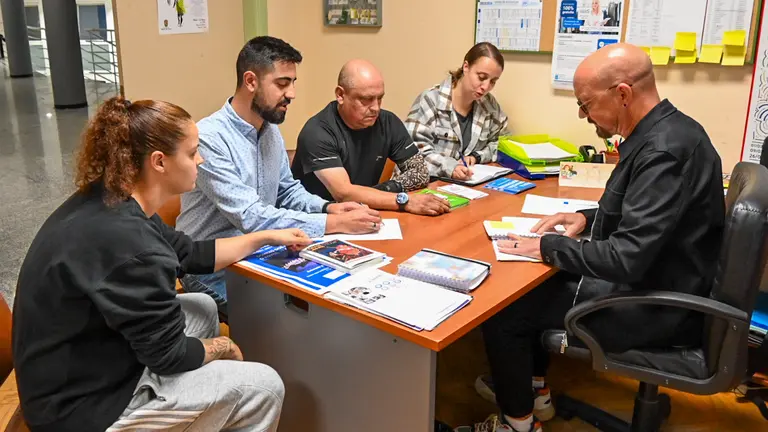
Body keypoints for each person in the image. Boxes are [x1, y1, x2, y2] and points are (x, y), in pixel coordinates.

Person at [464, 43, 725, 432]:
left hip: (657, 306)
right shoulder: (670, 131)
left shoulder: (664, 152)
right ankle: (535, 395)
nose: (584, 116)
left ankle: (515, 425)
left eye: (586, 105)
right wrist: (584, 219)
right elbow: (642, 217)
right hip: (662, 282)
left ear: (622, 94)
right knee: (532, 290)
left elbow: (625, 258)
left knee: (507, 310)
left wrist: (549, 246)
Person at [12, 97, 314, 432]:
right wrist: (223, 346)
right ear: (159, 162)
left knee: (201, 307)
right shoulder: (131, 245)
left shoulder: (117, 200)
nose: (200, 159)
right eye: (191, 152)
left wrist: (265, 237)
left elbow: (190, 254)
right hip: (80, 409)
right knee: (263, 386)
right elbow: (169, 355)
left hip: (80, 360)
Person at [176, 37, 381, 317]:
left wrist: (328, 207)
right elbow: (252, 216)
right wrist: (334, 223)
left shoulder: (269, 128)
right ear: (250, 81)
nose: (292, 93)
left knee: (340, 299)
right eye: (283, 83)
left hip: (260, 256)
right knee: (285, 319)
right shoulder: (210, 139)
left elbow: (286, 191)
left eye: (293, 82)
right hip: (212, 269)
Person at [291, 59, 450, 215]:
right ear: (340, 95)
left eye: (379, 98)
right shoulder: (317, 132)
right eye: (366, 99)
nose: (375, 108)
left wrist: (376, 194)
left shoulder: (388, 122)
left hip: (365, 213)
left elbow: (420, 173)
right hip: (319, 219)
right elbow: (344, 194)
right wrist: (403, 200)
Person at [405, 42, 509, 181]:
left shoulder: (488, 105)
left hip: (462, 187)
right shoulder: (431, 100)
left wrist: (478, 156)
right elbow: (412, 154)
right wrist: (450, 167)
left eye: (493, 81)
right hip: (423, 185)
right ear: (466, 67)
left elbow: (504, 144)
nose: (486, 87)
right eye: (482, 77)